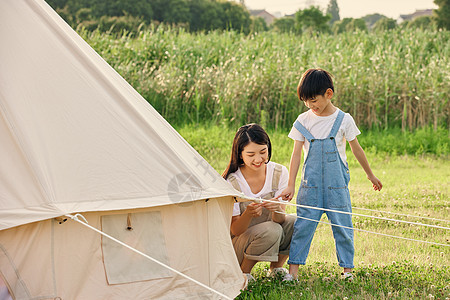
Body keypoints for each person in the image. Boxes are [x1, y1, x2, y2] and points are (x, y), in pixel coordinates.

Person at [280, 68, 382, 281]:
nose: (310, 105)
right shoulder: (303, 121)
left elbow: (356, 149)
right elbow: (296, 154)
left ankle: (347, 271)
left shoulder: (344, 120)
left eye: (313, 100)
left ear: (328, 94)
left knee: (343, 227)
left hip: (337, 188)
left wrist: (370, 175)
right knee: (302, 228)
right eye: (305, 101)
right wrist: (290, 184)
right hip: (310, 187)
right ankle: (293, 273)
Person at [223, 124, 296, 281]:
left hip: (269, 230)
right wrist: (248, 214)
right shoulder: (232, 182)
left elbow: (280, 220)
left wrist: (276, 209)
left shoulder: (279, 172)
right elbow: (235, 230)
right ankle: (243, 273)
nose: (258, 159)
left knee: (295, 222)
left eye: (263, 152)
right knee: (272, 230)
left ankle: (276, 268)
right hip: (238, 243)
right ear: (240, 154)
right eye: (251, 155)